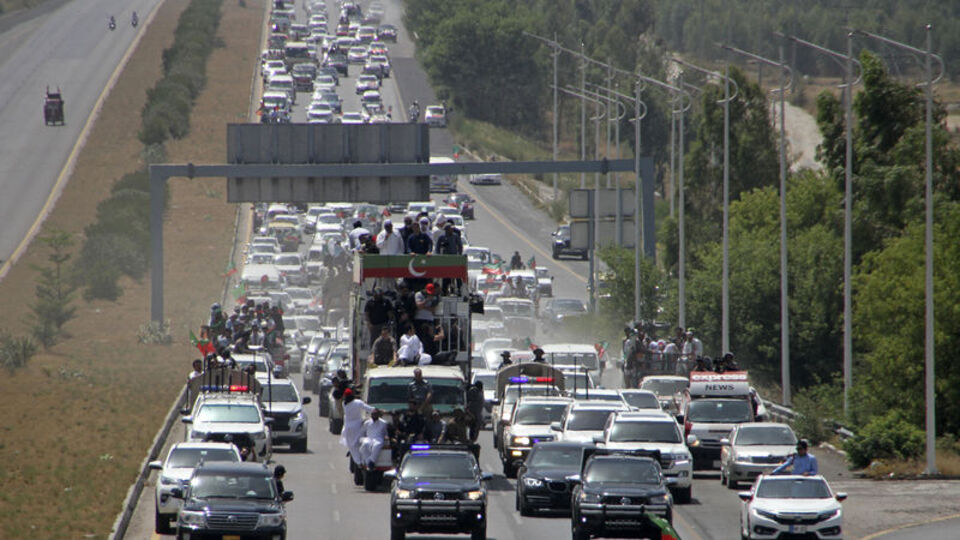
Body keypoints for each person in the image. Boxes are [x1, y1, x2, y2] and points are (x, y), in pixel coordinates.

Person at [339, 389, 375, 469]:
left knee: (352, 447)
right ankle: (364, 460)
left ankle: (358, 462)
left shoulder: (344, 404)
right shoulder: (358, 402)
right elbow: (369, 409)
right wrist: (378, 411)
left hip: (348, 427)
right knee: (359, 444)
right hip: (358, 426)